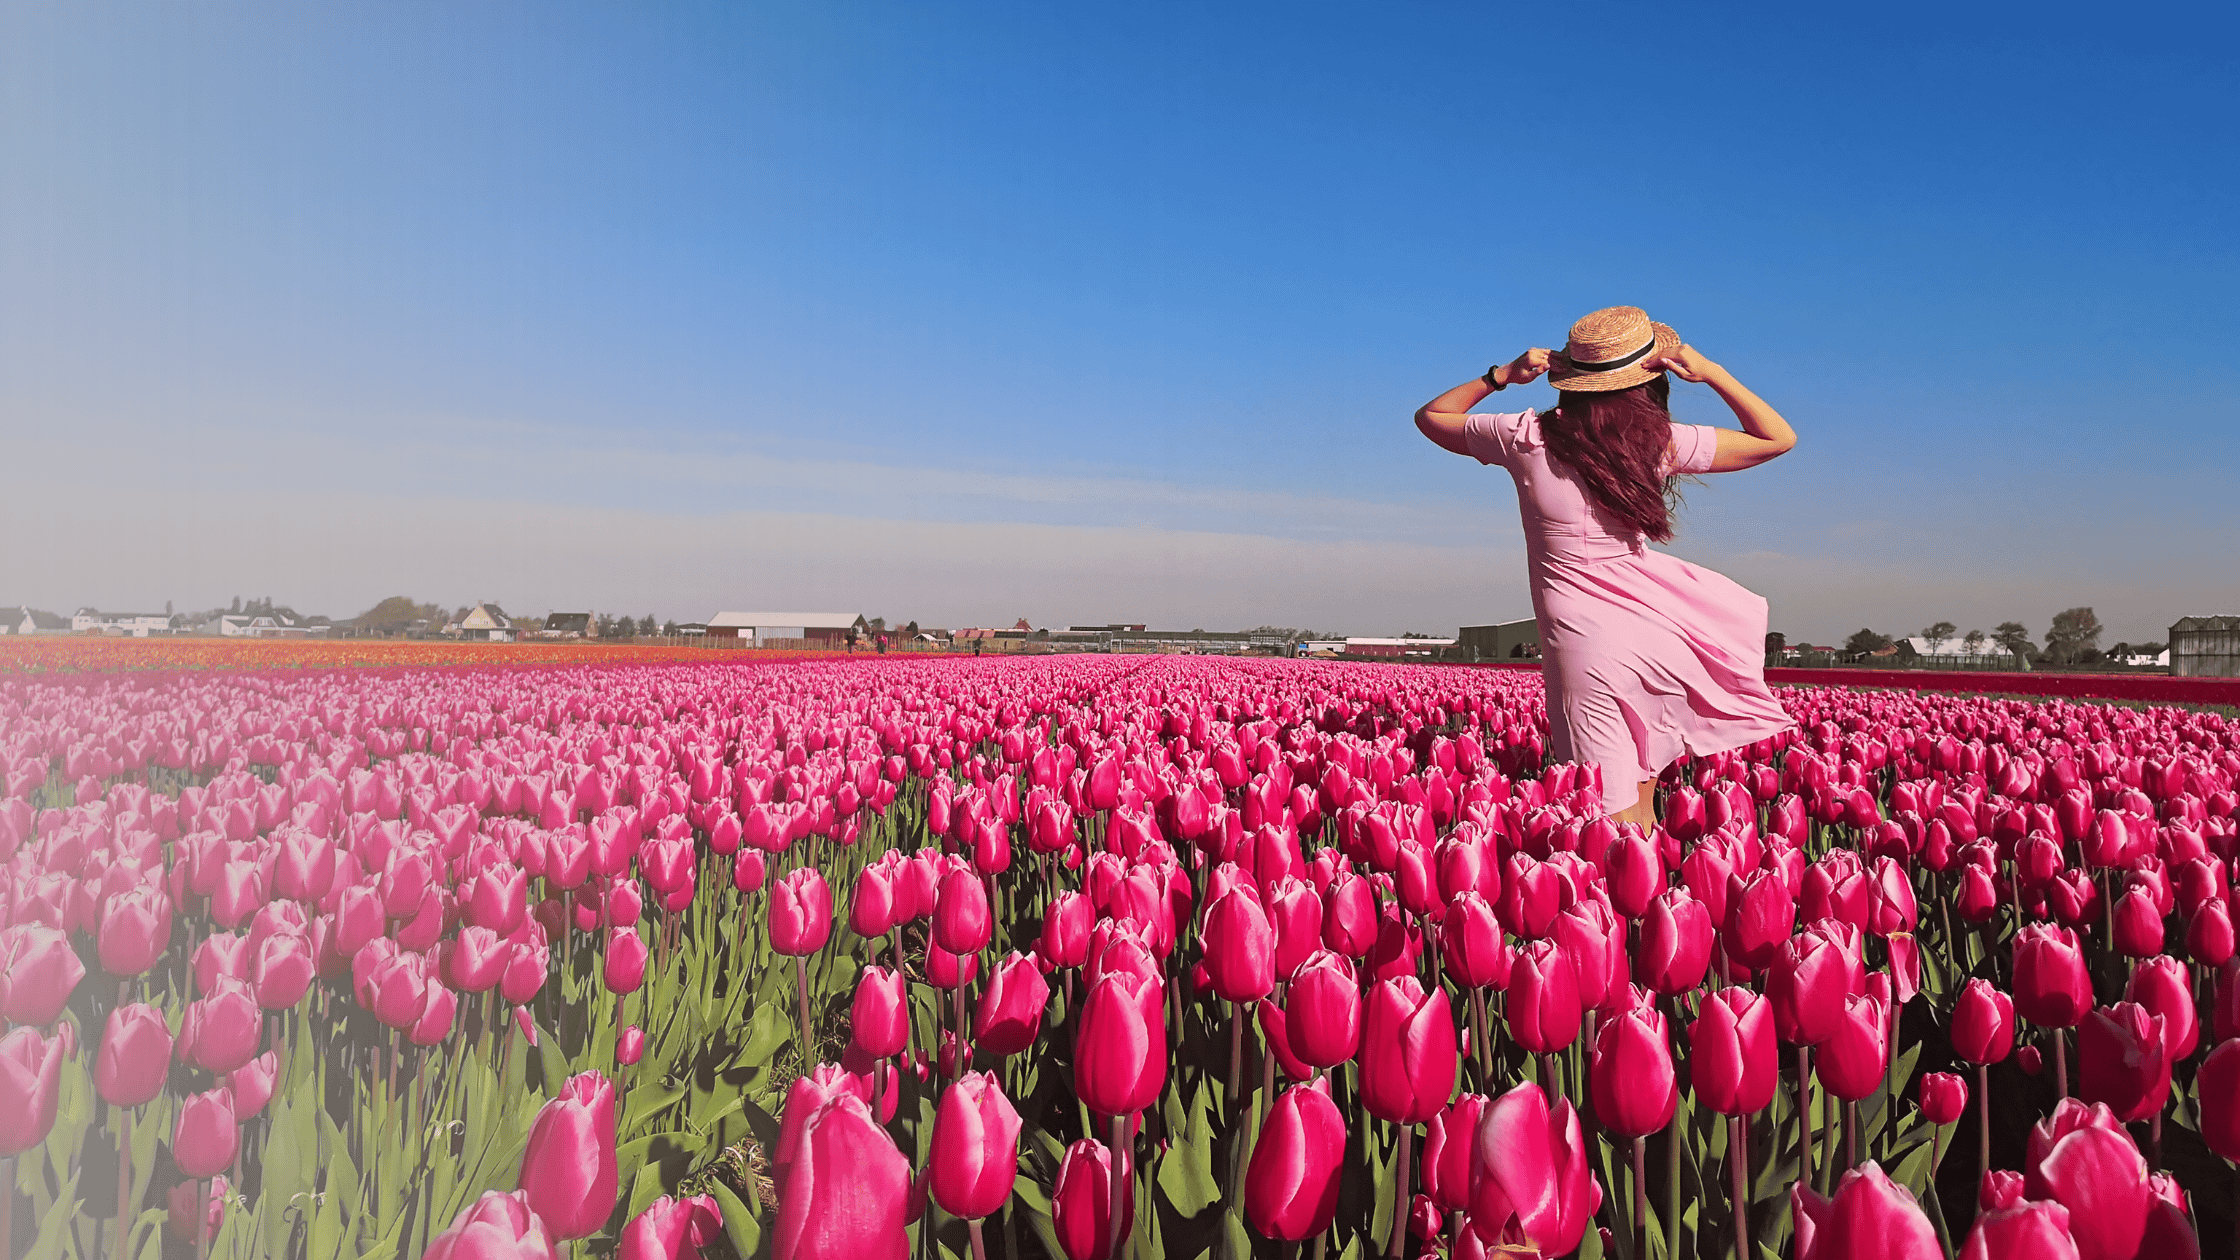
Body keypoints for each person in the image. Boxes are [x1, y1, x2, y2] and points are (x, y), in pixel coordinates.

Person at [1414, 306, 1798, 831]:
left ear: (1570, 378)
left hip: (1583, 642)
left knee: (1608, 820)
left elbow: (1431, 418)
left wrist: (1500, 376)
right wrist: (1710, 371)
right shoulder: (1656, 442)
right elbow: (1776, 439)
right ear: (1649, 378)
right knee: (1640, 809)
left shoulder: (1525, 435)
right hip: (1652, 629)